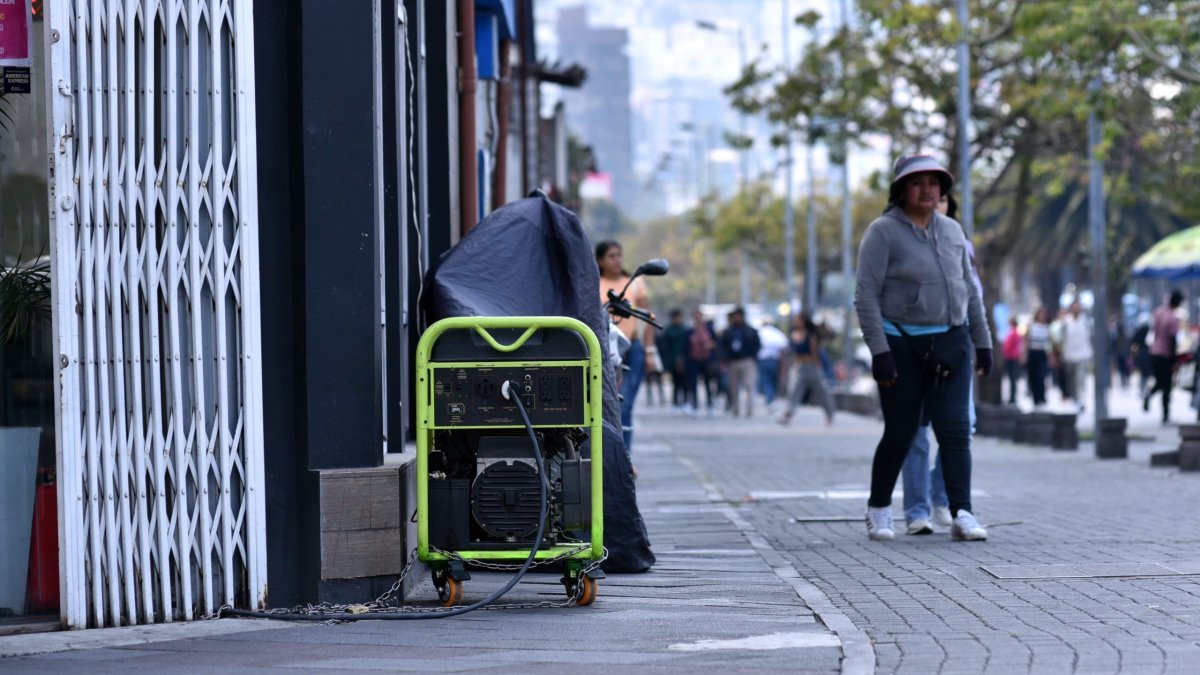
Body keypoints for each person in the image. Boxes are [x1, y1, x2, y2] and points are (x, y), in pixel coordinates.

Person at [854, 154, 992, 542]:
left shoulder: (952, 232)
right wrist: (879, 351)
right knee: (901, 432)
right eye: (918, 183)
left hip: (950, 342)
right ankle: (878, 508)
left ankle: (962, 512)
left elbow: (971, 294)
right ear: (901, 190)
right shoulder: (882, 232)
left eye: (935, 183)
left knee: (956, 430)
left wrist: (983, 343)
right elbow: (865, 296)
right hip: (901, 344)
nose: (928, 190)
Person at [597, 240, 652, 456]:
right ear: (600, 260)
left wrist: (650, 352)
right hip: (604, 353)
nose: (617, 260)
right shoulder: (594, 283)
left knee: (625, 405)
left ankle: (625, 458)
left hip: (632, 351)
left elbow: (647, 321)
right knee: (606, 407)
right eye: (611, 256)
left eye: (619, 255)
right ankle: (608, 458)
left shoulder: (635, 283)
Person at [778, 313, 834, 426]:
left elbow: (815, 353)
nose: (796, 322)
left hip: (811, 366)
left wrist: (818, 368)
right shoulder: (794, 334)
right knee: (793, 391)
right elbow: (793, 354)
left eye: (798, 320)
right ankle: (788, 414)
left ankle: (829, 414)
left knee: (821, 392)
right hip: (798, 367)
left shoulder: (811, 335)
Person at [1144, 290, 1183, 425]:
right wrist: (1175, 359)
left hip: (1154, 351)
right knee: (1166, 386)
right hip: (1165, 354)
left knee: (1160, 382)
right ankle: (1165, 415)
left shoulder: (1158, 312)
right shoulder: (1173, 318)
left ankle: (1149, 394)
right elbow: (1172, 340)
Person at [719, 307, 761, 418]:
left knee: (749, 385)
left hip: (747, 360)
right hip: (733, 361)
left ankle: (749, 409)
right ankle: (736, 408)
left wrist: (752, 357)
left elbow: (757, 345)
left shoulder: (751, 331)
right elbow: (723, 346)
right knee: (733, 387)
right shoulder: (728, 331)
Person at [1060, 300, 1093, 412]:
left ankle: (1081, 400)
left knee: (1080, 379)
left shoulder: (1086, 321)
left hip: (1083, 354)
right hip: (1069, 356)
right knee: (1071, 380)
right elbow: (1061, 338)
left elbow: (1091, 337)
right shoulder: (1066, 321)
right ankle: (1075, 399)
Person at [686, 309, 719, 417]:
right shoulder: (690, 331)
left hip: (707, 360)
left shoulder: (709, 330)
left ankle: (710, 405)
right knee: (693, 384)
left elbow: (716, 343)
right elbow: (686, 347)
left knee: (708, 384)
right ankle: (694, 406)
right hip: (694, 360)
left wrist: (710, 346)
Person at [660, 309, 692, 412]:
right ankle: (676, 404)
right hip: (673, 361)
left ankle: (687, 403)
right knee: (676, 383)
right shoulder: (668, 331)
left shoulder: (685, 330)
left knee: (686, 383)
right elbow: (665, 348)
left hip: (685, 360)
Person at [757, 318, 789, 409]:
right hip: (774, 360)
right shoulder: (776, 333)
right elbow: (784, 346)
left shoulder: (760, 332)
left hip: (763, 360)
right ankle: (771, 397)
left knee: (766, 380)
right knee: (772, 380)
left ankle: (769, 398)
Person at [1026, 307, 1052, 408]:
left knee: (1041, 376)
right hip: (1033, 353)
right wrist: (1024, 354)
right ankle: (1035, 398)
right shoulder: (1031, 326)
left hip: (1043, 354)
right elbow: (1026, 341)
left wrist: (1050, 356)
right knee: (1033, 377)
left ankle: (1042, 397)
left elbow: (1049, 343)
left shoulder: (1047, 327)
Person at [1002, 316, 1024, 405]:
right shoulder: (1014, 332)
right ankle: (1012, 397)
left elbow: (1009, 345)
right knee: (1012, 378)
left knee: (1012, 378)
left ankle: (1012, 397)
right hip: (1012, 356)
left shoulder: (1013, 332)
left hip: (1011, 357)